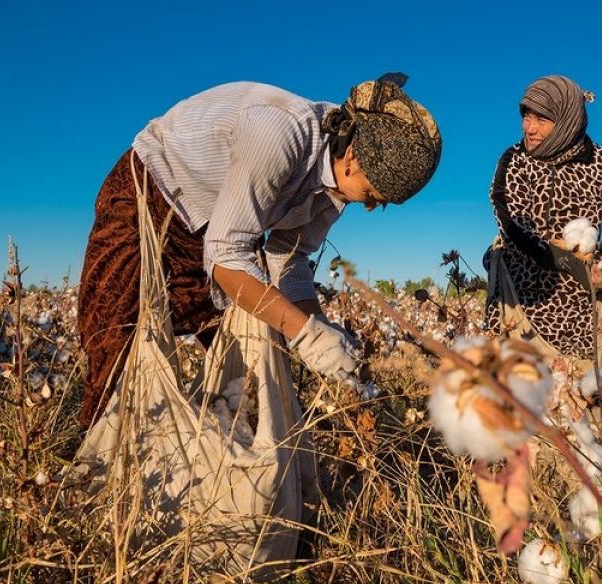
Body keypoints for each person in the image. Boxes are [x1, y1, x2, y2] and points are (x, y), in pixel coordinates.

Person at [77, 74, 442, 427]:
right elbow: (225, 255)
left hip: (218, 228)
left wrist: (321, 329)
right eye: (376, 194)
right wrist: (304, 334)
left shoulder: (334, 194)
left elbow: (290, 257)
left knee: (243, 368)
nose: (373, 207)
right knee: (114, 344)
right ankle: (97, 469)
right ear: (354, 160)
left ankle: (213, 466)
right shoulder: (279, 134)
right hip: (150, 196)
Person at [484, 75, 602, 361]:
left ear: (567, 121)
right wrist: (563, 260)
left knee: (592, 390)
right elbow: (511, 222)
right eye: (526, 117)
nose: (529, 128)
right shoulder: (515, 160)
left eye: (541, 120)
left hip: (586, 304)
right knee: (521, 393)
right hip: (525, 300)